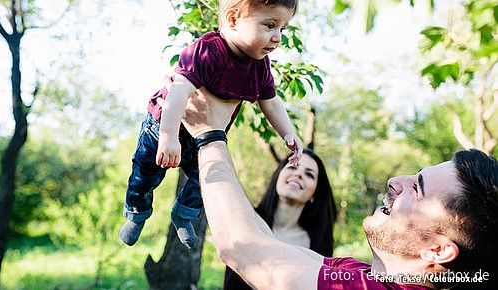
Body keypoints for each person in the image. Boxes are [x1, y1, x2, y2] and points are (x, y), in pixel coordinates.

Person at [180, 87, 498, 290]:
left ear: (438, 251)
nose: (394, 182)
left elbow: (244, 249)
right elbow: (259, 242)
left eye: (417, 189)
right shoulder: (358, 274)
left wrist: (209, 135)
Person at [119, 0, 304, 249]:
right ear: (233, 20)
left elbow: (270, 103)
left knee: (204, 180)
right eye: (270, 25)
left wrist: (288, 132)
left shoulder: (260, 67)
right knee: (144, 174)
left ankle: (183, 216)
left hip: (201, 138)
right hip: (164, 126)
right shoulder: (208, 50)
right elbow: (178, 90)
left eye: (283, 28)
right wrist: (169, 136)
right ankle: (136, 212)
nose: (277, 38)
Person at [224, 149, 338, 289]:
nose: (298, 174)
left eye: (309, 174)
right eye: (292, 166)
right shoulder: (247, 220)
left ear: (314, 194)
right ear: (278, 176)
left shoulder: (319, 242)